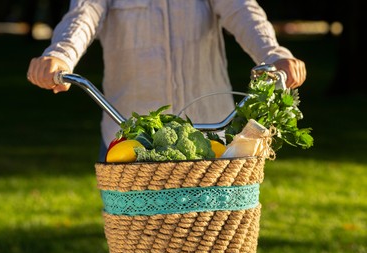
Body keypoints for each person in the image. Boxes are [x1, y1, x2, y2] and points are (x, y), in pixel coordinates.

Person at [27, 0, 306, 161]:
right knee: (135, 249)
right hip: (131, 138)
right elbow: (83, 15)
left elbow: (243, 11)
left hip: (212, 137)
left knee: (218, 244)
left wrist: (273, 54)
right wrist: (60, 56)